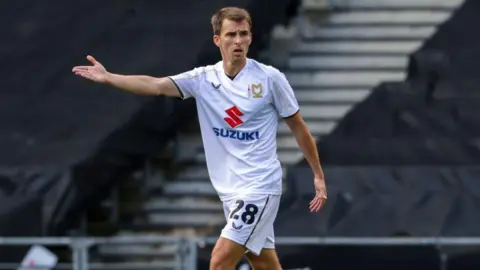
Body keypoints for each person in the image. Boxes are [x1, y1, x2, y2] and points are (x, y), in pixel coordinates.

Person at [72, 6, 327, 270]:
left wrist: (317, 174)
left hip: (259, 188)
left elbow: (298, 126)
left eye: (243, 34)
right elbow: (155, 85)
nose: (238, 41)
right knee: (263, 263)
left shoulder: (270, 79)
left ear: (251, 37)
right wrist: (109, 77)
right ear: (218, 40)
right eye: (231, 35)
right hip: (230, 192)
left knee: (218, 261)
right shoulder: (204, 79)